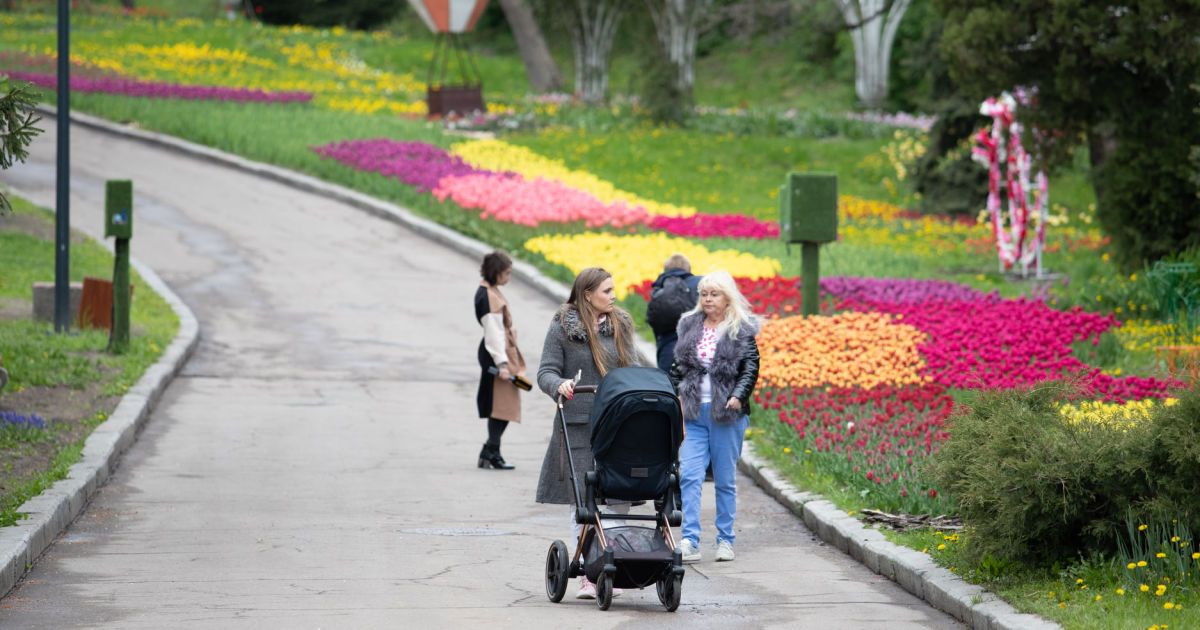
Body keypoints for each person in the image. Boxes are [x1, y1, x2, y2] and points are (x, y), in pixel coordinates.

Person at [536, 267, 650, 599]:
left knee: (618, 494)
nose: (614, 296)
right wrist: (561, 385)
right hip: (579, 423)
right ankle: (588, 572)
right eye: (607, 290)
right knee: (584, 501)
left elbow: (634, 366)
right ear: (588, 295)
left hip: (618, 421)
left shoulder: (620, 325)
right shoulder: (562, 325)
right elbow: (546, 372)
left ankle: (613, 562)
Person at [668, 270, 760, 564]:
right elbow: (678, 367)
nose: (707, 299)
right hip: (693, 412)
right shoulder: (690, 325)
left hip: (727, 414)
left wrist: (738, 396)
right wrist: (673, 396)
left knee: (724, 480)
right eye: (704, 294)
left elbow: (750, 368)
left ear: (727, 298)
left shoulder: (741, 329)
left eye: (714, 294)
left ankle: (725, 540)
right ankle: (690, 539)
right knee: (691, 476)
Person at [474, 251, 527, 470]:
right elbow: (493, 333)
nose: (509, 277)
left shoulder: (490, 292)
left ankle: (491, 451)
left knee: (505, 406)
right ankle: (491, 452)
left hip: (501, 353)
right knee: (502, 406)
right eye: (507, 273)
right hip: (497, 355)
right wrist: (502, 364)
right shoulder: (488, 296)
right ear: (496, 272)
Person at [646, 254, 701, 372]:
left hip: (666, 351)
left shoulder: (660, 287)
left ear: (665, 270)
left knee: (667, 386)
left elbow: (651, 319)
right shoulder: (698, 284)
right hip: (695, 349)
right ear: (688, 269)